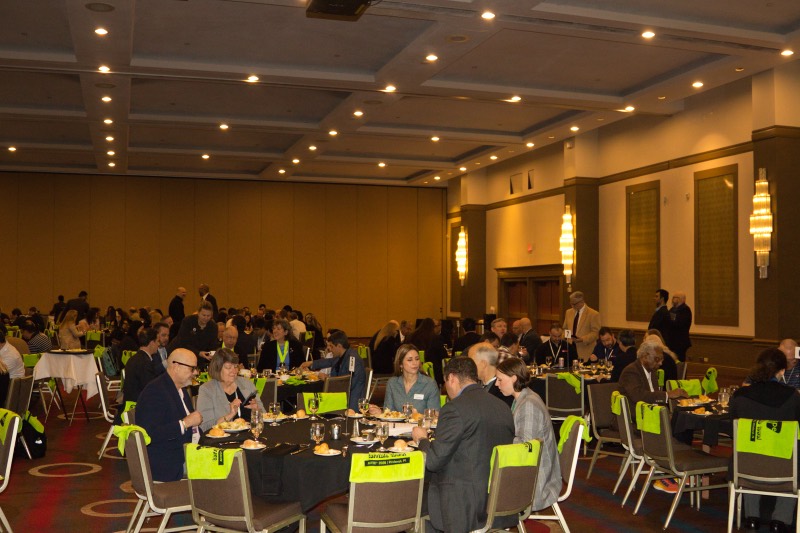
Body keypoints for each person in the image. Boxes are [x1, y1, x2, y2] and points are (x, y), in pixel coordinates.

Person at [411, 357, 514, 532]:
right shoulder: (503, 407)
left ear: (452, 378)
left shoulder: (454, 409)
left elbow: (433, 461)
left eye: (446, 383)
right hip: (498, 497)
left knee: (415, 498)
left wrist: (422, 440)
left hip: (464, 504)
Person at [730, 348, 800, 533]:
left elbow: (732, 428)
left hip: (746, 470)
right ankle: (780, 520)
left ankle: (752, 517)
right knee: (791, 452)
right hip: (785, 470)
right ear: (782, 371)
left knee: (750, 447)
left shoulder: (740, 396)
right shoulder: (793, 397)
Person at [495, 357, 561, 512]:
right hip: (537, 471)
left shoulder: (528, 405)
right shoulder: (525, 397)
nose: (496, 384)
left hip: (538, 481)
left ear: (513, 378)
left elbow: (525, 449)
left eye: (500, 379)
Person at [136, 348, 203, 482]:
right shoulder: (155, 392)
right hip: (168, 463)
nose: (195, 373)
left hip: (185, 452)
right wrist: (185, 423)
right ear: (176, 366)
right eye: (192, 368)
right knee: (225, 468)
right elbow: (149, 434)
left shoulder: (180, 389)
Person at [197, 349, 264, 432]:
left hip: (251, 434)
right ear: (218, 368)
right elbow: (205, 427)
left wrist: (257, 410)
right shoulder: (207, 389)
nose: (234, 371)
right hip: (223, 437)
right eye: (228, 367)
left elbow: (264, 415)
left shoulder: (247, 384)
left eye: (235, 366)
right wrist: (230, 415)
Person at [300, 330, 366, 412]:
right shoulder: (343, 355)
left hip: (351, 402)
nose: (329, 349)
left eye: (331, 346)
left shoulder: (353, 360)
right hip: (341, 396)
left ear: (339, 346)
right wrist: (311, 363)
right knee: (310, 398)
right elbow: (329, 362)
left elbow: (349, 384)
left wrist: (328, 379)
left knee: (311, 401)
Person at [618, 339, 687, 406]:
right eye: (657, 359)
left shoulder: (652, 370)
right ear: (645, 356)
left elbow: (654, 397)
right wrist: (667, 395)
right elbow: (638, 396)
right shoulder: (631, 371)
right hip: (637, 412)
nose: (660, 363)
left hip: (653, 411)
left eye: (661, 359)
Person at [119, 328, 165, 421]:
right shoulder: (144, 362)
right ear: (151, 343)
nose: (158, 344)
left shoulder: (136, 358)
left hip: (131, 403)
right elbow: (150, 389)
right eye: (157, 341)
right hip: (137, 408)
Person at [380, 344, 440, 413]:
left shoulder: (429, 384)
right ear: (400, 364)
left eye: (417, 359)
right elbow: (388, 413)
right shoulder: (392, 383)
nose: (415, 363)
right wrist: (379, 413)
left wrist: (417, 416)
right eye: (410, 360)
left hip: (421, 420)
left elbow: (434, 415)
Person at [167, 302, 218, 370]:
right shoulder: (188, 321)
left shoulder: (213, 326)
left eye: (208, 316)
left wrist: (210, 354)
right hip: (179, 354)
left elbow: (213, 345)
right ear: (198, 313)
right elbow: (183, 343)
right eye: (203, 315)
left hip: (200, 358)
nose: (206, 318)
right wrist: (199, 353)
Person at [468, 342, 512, 407]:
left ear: (483, 364)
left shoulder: (502, 391)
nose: (469, 367)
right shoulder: (474, 384)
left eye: (471, 363)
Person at [562, 291, 602, 361]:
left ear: (582, 302)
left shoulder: (593, 314)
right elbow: (565, 328)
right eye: (571, 303)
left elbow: (596, 333)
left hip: (585, 350)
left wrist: (582, 339)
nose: (572, 306)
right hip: (570, 349)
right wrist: (565, 337)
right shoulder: (568, 312)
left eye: (574, 304)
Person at [406, 318, 447, 385]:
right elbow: (443, 356)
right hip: (432, 372)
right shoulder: (436, 338)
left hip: (413, 369)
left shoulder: (411, 337)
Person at [667, 291, 692, 361]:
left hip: (680, 341)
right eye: (673, 297)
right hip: (671, 341)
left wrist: (670, 321)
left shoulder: (685, 309)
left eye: (676, 297)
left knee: (679, 361)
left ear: (682, 299)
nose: (673, 299)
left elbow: (680, 324)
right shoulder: (672, 309)